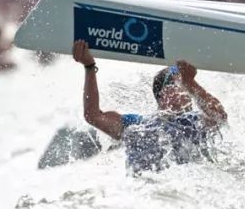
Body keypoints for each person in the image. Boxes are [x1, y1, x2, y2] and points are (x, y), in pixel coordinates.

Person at [72, 39, 228, 173]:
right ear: (161, 95)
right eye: (178, 86)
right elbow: (93, 116)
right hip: (148, 198)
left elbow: (220, 117)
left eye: (185, 88)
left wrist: (191, 83)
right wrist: (89, 67)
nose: (183, 92)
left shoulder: (196, 122)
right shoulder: (137, 125)